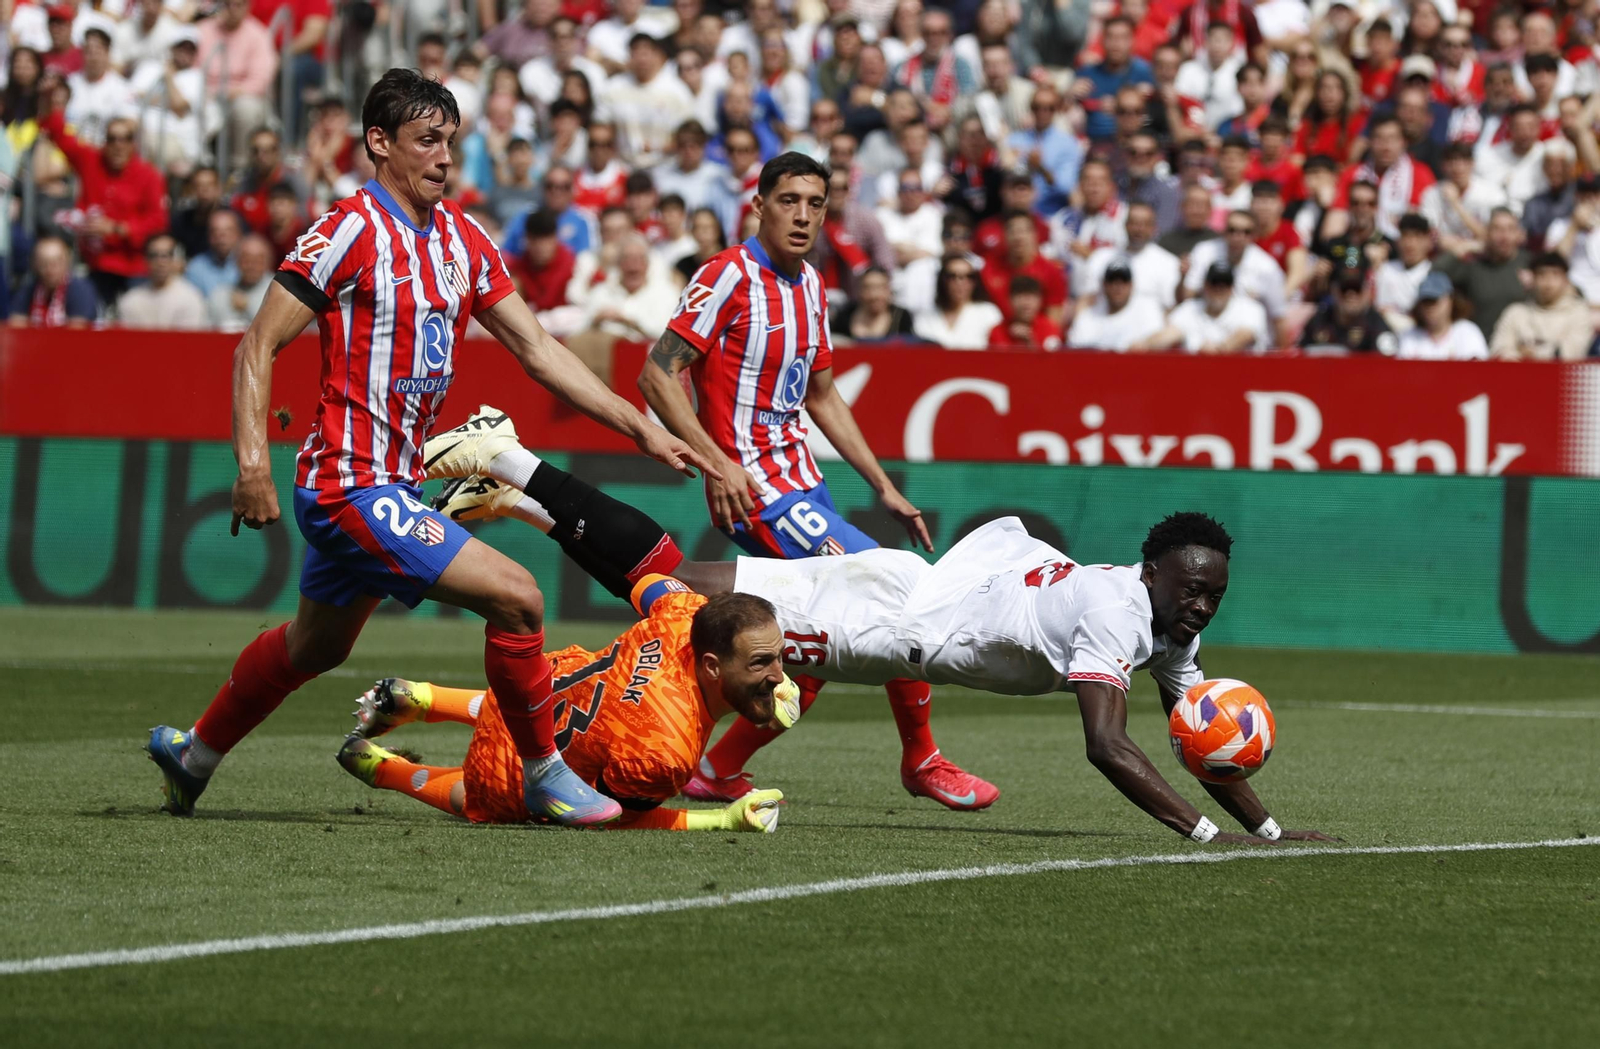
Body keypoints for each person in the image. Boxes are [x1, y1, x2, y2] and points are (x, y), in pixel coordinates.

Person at [143, 69, 708, 826]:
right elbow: (258, 344)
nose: (445, 157)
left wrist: (638, 423)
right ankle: (544, 773)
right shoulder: (349, 229)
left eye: (452, 141)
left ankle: (194, 755)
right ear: (380, 143)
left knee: (314, 647)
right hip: (347, 485)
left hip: (393, 488)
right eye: (428, 140)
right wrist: (252, 464)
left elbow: (539, 348)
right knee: (517, 597)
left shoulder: (464, 241)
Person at [450, 487, 1335, 845]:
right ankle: (526, 481)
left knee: (685, 585)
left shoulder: (1165, 624)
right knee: (681, 596)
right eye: (1190, 587)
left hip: (914, 592)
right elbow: (1109, 746)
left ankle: (527, 487)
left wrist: (1265, 828)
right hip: (891, 626)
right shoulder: (1115, 612)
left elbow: (1199, 734)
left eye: (1212, 594)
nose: (1200, 605)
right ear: (1153, 573)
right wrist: (1205, 836)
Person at [635, 151, 998, 810]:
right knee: (888, 581)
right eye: (788, 200)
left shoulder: (810, 285)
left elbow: (823, 396)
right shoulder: (727, 276)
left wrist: (883, 486)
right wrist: (719, 463)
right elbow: (659, 373)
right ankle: (922, 757)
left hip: (805, 483)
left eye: (815, 203)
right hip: (759, 491)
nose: (802, 215)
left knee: (820, 636)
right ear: (760, 204)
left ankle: (713, 768)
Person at [339, 583, 798, 833]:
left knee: (553, 707)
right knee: (483, 800)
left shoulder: (686, 616)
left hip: (536, 687)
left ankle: (425, 697)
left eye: (780, 658)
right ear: (714, 667)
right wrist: (725, 818)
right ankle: (384, 770)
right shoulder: (666, 754)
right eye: (762, 662)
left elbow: (649, 581)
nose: (780, 675)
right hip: (512, 766)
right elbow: (618, 819)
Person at [34, 98, 168, 309]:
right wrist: (54, 102)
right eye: (112, 139)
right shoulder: (92, 161)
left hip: (134, 266)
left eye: (125, 139)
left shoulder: (149, 175)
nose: (118, 145)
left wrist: (118, 228)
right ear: (105, 141)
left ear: (134, 143)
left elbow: (158, 222)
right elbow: (59, 136)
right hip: (97, 264)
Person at [1434, 208, 1530, 338]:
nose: (1504, 236)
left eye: (1510, 229)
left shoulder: (1530, 264)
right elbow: (1436, 273)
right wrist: (1467, 246)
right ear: (1487, 233)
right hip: (1480, 348)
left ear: (1519, 234)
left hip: (1517, 350)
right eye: (1497, 229)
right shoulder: (1474, 266)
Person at [1140, 262, 1271, 353]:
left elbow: (1245, 335)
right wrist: (1143, 345)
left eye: (1224, 284)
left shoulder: (1250, 309)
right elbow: (1168, 334)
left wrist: (1219, 349)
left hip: (1242, 376)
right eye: (1214, 283)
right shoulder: (1189, 309)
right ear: (1205, 286)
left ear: (1232, 288)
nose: (1219, 288)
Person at [1489, 253, 1592, 361]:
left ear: (1566, 280)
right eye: (1542, 275)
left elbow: (1571, 352)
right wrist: (1518, 356)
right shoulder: (1515, 312)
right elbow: (1498, 350)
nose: (1548, 282)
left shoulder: (1578, 313)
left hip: (1562, 376)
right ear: (1532, 279)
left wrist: (1532, 354)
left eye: (1555, 275)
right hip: (1517, 375)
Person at [1078, 201, 1180, 309]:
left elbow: (1170, 308)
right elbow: (1086, 300)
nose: (1139, 229)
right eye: (1134, 223)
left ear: (1154, 228)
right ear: (1125, 225)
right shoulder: (1101, 258)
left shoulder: (1169, 263)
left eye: (1145, 224)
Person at [980, 210, 1066, 323]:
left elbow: (1054, 320)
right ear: (1004, 235)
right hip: (997, 335)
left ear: (1035, 235)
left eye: (1024, 231)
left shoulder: (1051, 272)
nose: (1018, 237)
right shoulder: (989, 268)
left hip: (1035, 336)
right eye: (1012, 231)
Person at [1065, 259, 1165, 351]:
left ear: (1131, 285)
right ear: (1104, 285)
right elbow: (1076, 350)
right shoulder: (1088, 316)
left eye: (1123, 281)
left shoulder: (1148, 311)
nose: (1118, 287)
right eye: (1112, 281)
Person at [6, 234, 99, 328]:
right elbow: (16, 325)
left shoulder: (80, 289)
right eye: (44, 263)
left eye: (56, 262)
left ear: (67, 262)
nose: (50, 269)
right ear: (35, 264)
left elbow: (77, 331)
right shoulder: (29, 289)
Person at [914, 252, 1004, 347]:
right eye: (952, 276)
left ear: (975, 281)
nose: (959, 282)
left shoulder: (988, 313)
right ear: (942, 280)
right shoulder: (925, 316)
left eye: (968, 276)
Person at [117, 234, 208, 329]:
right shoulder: (130, 301)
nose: (160, 262)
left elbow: (190, 340)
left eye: (167, 255)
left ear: (175, 259)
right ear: (145, 259)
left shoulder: (191, 298)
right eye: (154, 255)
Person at [1299, 269, 1398, 354]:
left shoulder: (1376, 325)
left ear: (1367, 292)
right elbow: (1301, 356)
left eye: (1357, 288)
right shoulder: (1319, 321)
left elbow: (1386, 366)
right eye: (1344, 289)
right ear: (1334, 291)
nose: (1351, 295)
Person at [1396, 271, 1488, 360]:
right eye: (1425, 301)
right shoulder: (1410, 337)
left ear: (1450, 300)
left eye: (1434, 300)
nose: (1430, 307)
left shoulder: (1467, 332)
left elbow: (1478, 372)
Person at [1373, 213, 1437, 333]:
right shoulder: (1384, 269)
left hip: (1419, 338)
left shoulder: (1433, 273)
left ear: (1428, 241)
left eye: (1417, 236)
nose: (1410, 244)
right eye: (1405, 236)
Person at [830, 265, 918, 344]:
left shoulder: (901, 317)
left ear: (889, 290)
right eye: (868, 288)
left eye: (880, 287)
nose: (874, 295)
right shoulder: (845, 315)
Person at [207, 234, 275, 331]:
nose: (251, 266)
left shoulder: (278, 293)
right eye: (246, 260)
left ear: (268, 262)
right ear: (236, 261)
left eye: (257, 261)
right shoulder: (220, 295)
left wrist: (247, 307)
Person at [987, 274, 1062, 350]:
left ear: (1040, 300)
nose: (1026, 304)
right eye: (1020, 297)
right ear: (1009, 300)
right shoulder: (997, 332)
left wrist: (1029, 342)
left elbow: (1052, 360)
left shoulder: (1049, 329)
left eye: (1031, 297)